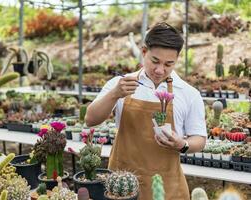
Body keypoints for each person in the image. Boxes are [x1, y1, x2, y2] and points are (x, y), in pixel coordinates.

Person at [85, 22, 207, 200]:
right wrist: (115, 94)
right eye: (155, 61)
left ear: (177, 60)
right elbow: (90, 119)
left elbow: (199, 139)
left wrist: (182, 144)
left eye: (168, 64)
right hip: (122, 185)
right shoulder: (121, 84)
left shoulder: (188, 93)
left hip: (166, 186)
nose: (160, 70)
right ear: (144, 52)